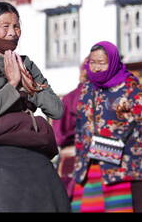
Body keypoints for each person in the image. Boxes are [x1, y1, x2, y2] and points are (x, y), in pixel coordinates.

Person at [0, 1, 68, 212]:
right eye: (5, 26)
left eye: (16, 26)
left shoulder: (26, 63)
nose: (12, 32)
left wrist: (31, 88)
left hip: (28, 145)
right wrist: (12, 84)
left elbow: (57, 110)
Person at [71, 41, 142, 213]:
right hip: (91, 168)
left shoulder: (130, 87)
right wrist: (79, 165)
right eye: (93, 62)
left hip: (124, 168)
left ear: (112, 62)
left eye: (101, 63)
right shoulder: (87, 89)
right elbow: (80, 129)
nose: (96, 68)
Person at [52, 58, 88, 198]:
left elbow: (58, 136)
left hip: (70, 158)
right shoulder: (104, 97)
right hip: (98, 158)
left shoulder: (68, 99)